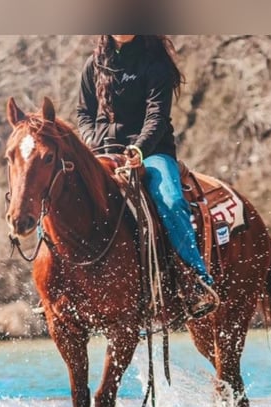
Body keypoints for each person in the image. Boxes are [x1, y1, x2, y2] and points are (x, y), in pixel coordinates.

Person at [77, 35, 218, 319]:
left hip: (151, 152)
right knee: (63, 193)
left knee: (171, 200)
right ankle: (54, 288)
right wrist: (93, 142)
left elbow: (157, 116)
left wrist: (139, 149)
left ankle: (196, 280)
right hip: (102, 152)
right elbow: (84, 114)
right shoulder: (94, 64)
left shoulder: (156, 63)